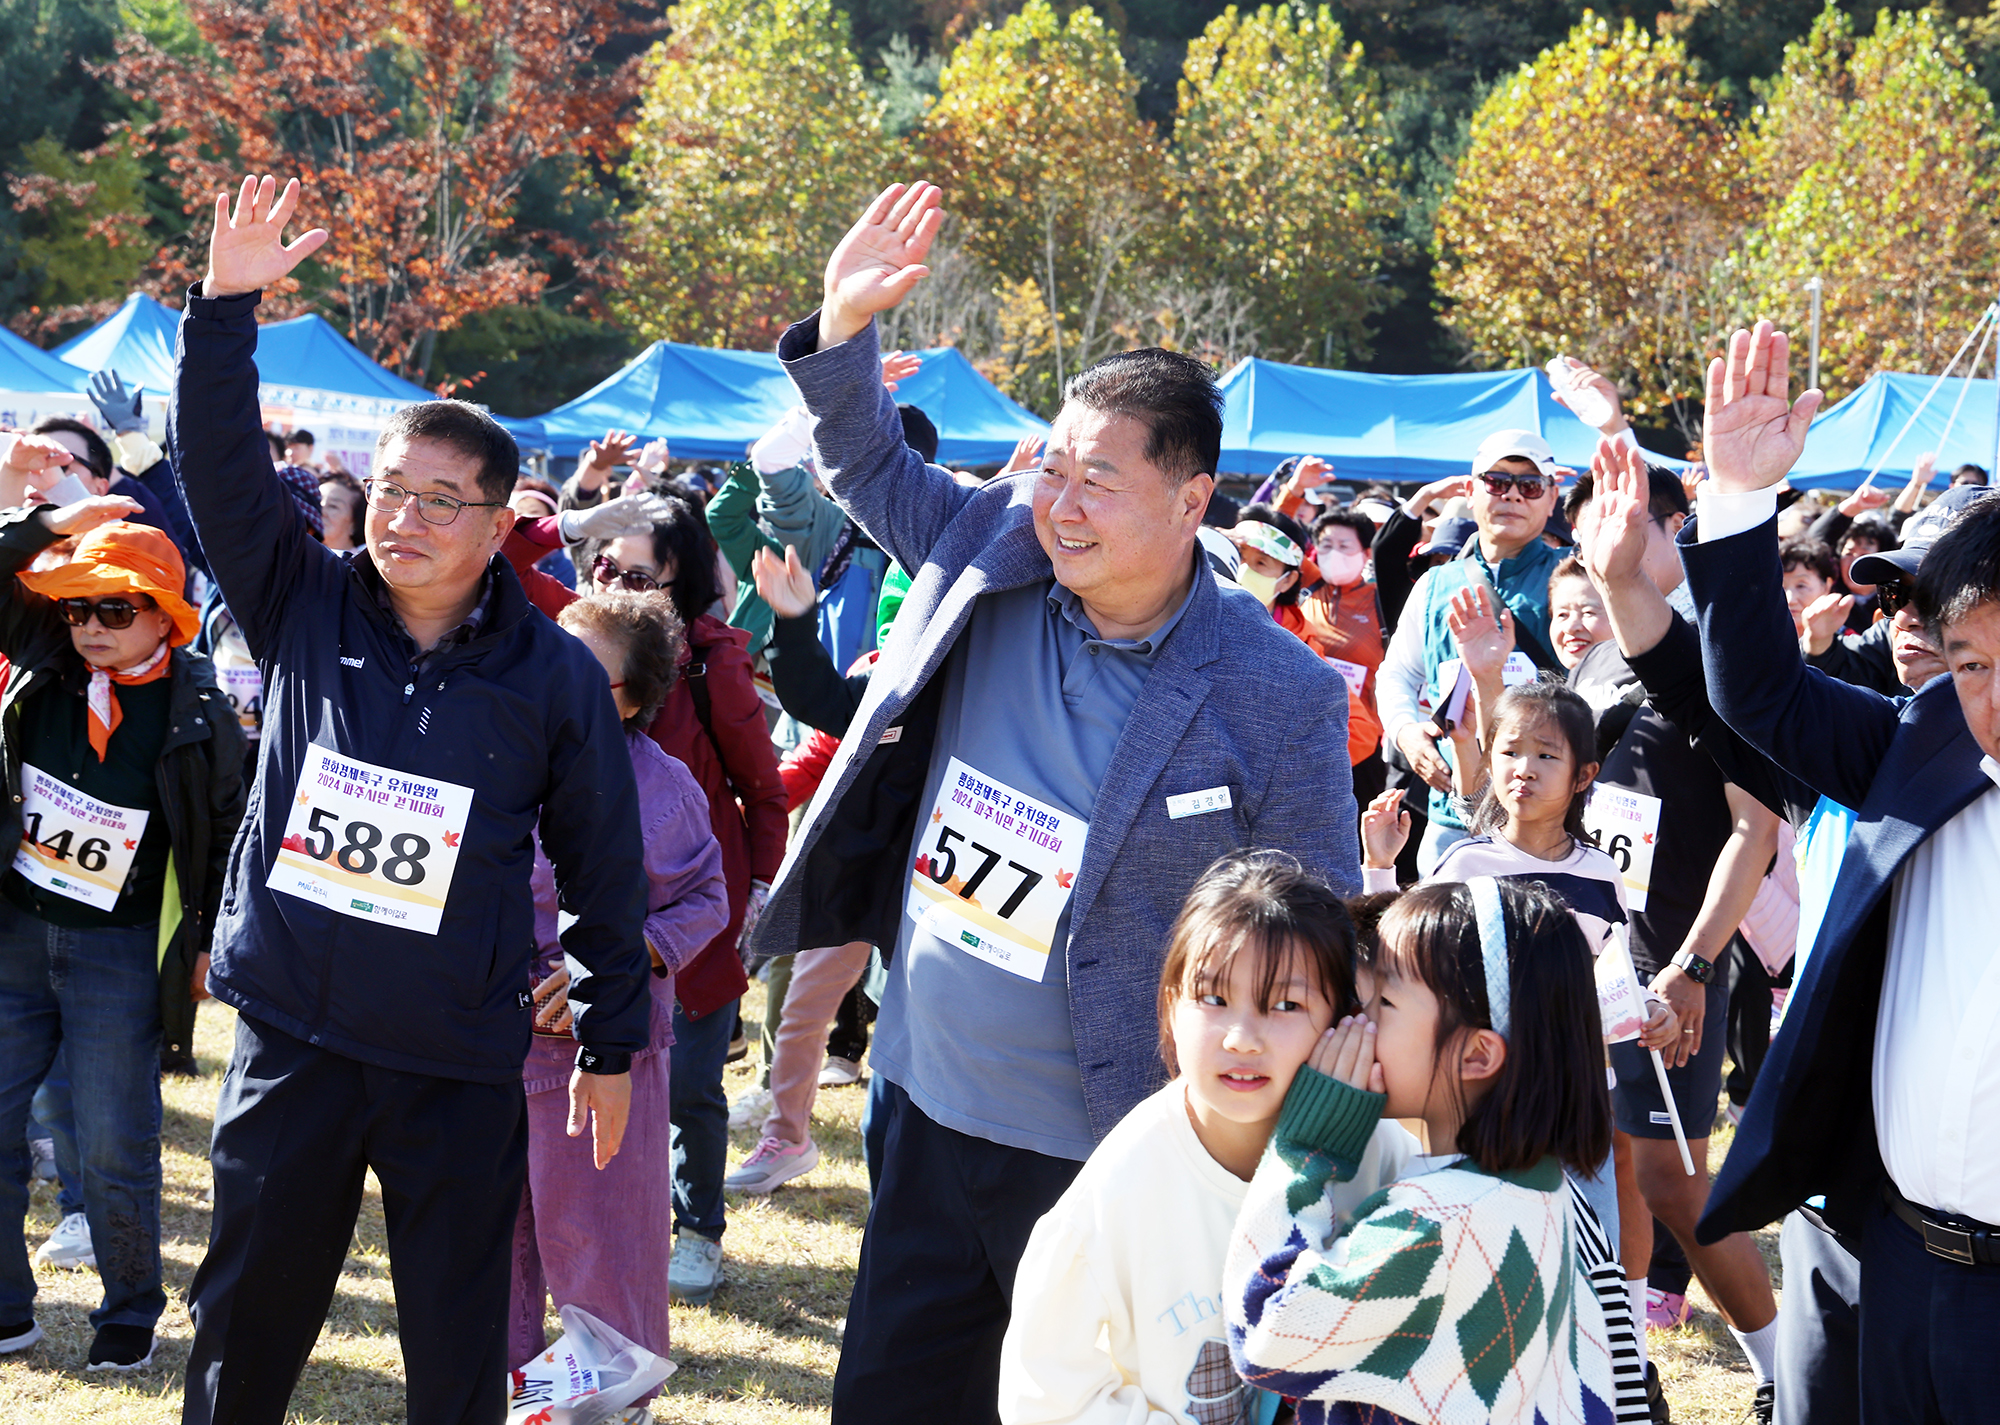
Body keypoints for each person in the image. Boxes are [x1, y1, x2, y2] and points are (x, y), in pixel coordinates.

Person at [756, 181, 1357, 1425]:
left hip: (1109, 1142)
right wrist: (843, 321)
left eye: (1096, 482)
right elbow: (863, 455)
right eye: (1052, 469)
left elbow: (1316, 928)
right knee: (888, 1399)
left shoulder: (1278, 691)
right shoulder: (993, 548)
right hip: (922, 1095)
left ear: (1191, 503)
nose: (1059, 504)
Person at [166, 175, 652, 1425]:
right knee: (245, 1332)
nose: (406, 519)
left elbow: (601, 863)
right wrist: (224, 311)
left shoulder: (550, 675)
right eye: (390, 488)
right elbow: (216, 470)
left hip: (454, 1059)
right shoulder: (301, 599)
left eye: (444, 502)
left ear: (501, 525)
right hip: (297, 1035)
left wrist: (607, 1042)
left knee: (453, 1351)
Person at [1679, 318, 2000, 1425]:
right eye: (1969, 665)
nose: (1989, 700)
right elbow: (1757, 694)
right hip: (1892, 1256)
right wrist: (1734, 499)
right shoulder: (1923, 743)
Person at [996, 850, 1415, 1425]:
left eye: (1286, 1005)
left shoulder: (1386, 1162)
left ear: (1342, 1022)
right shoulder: (1124, 1182)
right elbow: (1044, 1392)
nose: (1242, 1038)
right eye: (1214, 999)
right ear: (1170, 1006)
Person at [502, 487, 786, 1304]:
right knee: (523, 1191)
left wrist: (750, 893)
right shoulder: (570, 659)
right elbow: (512, 561)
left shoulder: (705, 677)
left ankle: (693, 1231)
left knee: (677, 1104)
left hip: (657, 971)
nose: (609, 578)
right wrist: (573, 522)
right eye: (599, 564)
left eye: (633, 568)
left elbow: (758, 798)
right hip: (526, 1017)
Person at [1224, 878, 1621, 1422]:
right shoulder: (1539, 1185)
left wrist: (1307, 1149)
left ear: (1478, 1056)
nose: (1354, 1019)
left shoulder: (1434, 1224)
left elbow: (1265, 1338)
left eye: (1382, 1001)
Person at [0, 504, 243, 1370]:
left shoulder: (201, 710)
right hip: (17, 934)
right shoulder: (43, 661)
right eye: (77, 607)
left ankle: (130, 1305)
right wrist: (44, 524)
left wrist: (213, 939)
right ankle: (5, 1307)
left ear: (165, 614)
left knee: (112, 1143)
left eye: (114, 609)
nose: (90, 627)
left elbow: (223, 835)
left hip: (122, 950)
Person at [510, 591, 729, 1390]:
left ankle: (606, 1403)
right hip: (488, 1050)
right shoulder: (496, 753)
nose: (556, 682)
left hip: (602, 1064)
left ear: (633, 698)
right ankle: (508, 1393)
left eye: (586, 674)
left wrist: (623, 952)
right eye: (550, 659)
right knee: (491, 1245)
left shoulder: (661, 786)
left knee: (600, 1247)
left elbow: (707, 899)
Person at [1375, 428, 1569, 874]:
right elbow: (1397, 674)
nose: (1513, 496)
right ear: (1470, 490)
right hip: (1452, 812)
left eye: (1530, 485)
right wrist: (1405, 731)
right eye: (1498, 482)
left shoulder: (1575, 575)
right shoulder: (1433, 584)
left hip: (1544, 815)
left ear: (1551, 497)